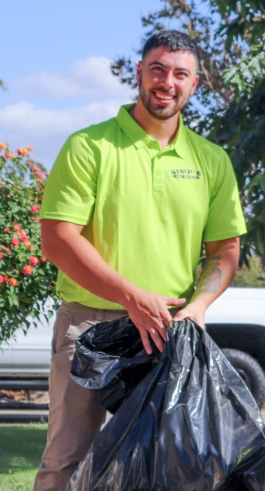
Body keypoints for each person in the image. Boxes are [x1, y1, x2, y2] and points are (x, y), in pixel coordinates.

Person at [34, 30, 247, 491]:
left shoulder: (211, 161)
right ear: (139, 74)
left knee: (166, 467)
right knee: (68, 462)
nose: (167, 81)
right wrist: (131, 295)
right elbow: (57, 239)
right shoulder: (89, 146)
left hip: (167, 331)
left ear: (195, 84)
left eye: (180, 73)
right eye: (157, 69)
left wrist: (197, 307)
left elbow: (225, 251)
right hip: (89, 330)